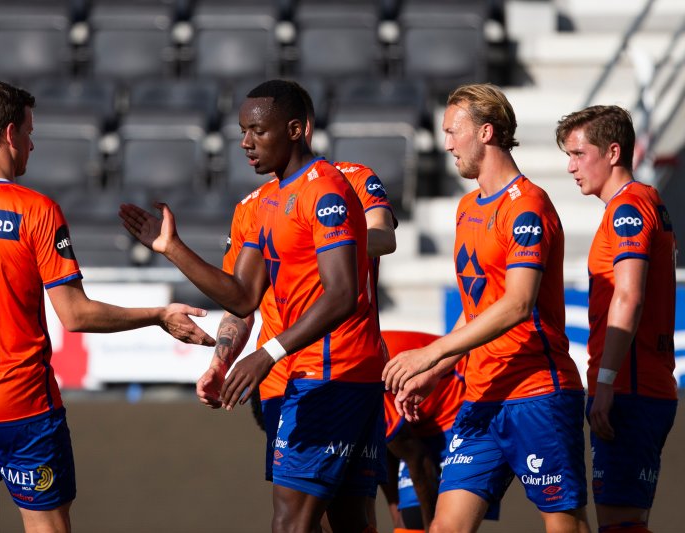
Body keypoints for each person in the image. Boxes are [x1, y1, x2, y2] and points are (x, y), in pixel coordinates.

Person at [0, 80, 215, 533]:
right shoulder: (35, 211)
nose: (32, 143)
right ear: (8, 134)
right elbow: (75, 315)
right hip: (22, 409)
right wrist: (156, 316)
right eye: (28, 131)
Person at [120, 79, 386, 533]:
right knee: (349, 521)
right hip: (316, 378)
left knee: (290, 523)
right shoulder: (266, 203)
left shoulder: (327, 191)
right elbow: (242, 297)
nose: (245, 142)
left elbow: (344, 293)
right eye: (243, 130)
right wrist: (173, 248)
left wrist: (268, 353)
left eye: (258, 131)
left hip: (330, 378)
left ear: (297, 130)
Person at [382, 83, 590, 533]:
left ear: (487, 132)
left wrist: (430, 353)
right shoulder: (466, 207)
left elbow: (517, 304)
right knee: (444, 527)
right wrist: (434, 372)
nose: (447, 143)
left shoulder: (528, 206)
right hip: (481, 396)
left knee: (563, 526)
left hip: (537, 393)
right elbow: (478, 307)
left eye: (454, 131)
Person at [556, 105, 677, 533]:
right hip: (640, 386)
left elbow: (629, 295)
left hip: (630, 389)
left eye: (577, 153)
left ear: (612, 152)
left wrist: (604, 384)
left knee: (619, 523)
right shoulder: (642, 202)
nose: (570, 166)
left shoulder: (628, 209)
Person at [380, 330, 499, 533]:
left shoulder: (352, 386)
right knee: (406, 524)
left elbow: (414, 455)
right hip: (416, 416)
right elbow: (386, 450)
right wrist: (396, 514)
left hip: (457, 401)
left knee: (439, 525)